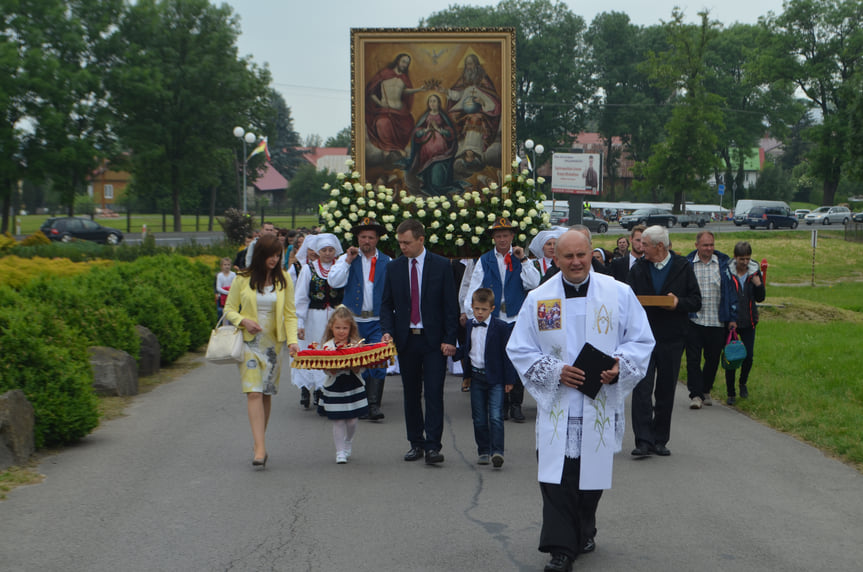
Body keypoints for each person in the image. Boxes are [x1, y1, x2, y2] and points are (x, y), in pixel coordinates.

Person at [507, 230, 654, 572]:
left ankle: (584, 529)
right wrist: (555, 370)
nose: (575, 262)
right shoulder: (539, 299)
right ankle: (561, 549)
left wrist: (619, 365)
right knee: (556, 479)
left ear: (592, 255)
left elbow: (641, 340)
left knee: (590, 481)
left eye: (581, 255)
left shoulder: (618, 293)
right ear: (555, 259)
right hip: (558, 405)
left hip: (598, 402)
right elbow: (519, 348)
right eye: (567, 257)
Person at [380, 219, 459, 465]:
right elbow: (386, 304)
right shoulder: (394, 268)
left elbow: (450, 306)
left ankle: (434, 446)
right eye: (400, 242)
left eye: (407, 242)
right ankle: (416, 442)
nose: (402, 247)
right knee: (411, 393)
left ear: (421, 240)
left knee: (434, 392)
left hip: (433, 341)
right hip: (407, 340)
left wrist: (449, 338)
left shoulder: (441, 265)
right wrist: (388, 331)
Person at [223, 235, 300, 468]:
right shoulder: (242, 279)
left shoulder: (284, 279)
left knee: (265, 393)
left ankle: (260, 440)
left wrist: (293, 341)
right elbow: (228, 309)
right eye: (271, 255)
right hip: (249, 343)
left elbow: (289, 314)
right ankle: (259, 448)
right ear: (260, 255)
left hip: (273, 345)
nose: (275, 260)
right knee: (253, 392)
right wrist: (243, 321)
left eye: (278, 256)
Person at [627, 225, 702, 457]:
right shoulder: (638, 268)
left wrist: (678, 302)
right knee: (641, 389)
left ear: (660, 246)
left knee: (665, 389)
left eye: (645, 244)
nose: (641, 248)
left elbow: (696, 301)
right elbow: (627, 300)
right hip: (643, 338)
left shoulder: (682, 267)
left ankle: (660, 439)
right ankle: (643, 440)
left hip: (672, 337)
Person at [463, 217, 541, 423]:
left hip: (516, 316)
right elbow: (475, 285)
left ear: (512, 236)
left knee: (517, 361)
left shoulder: (520, 258)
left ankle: (516, 404)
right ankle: (502, 404)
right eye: (498, 236)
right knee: (497, 359)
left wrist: (523, 259)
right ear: (494, 238)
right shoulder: (485, 259)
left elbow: (534, 282)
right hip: (495, 317)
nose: (502, 239)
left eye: (506, 235)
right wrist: (471, 313)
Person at [327, 217, 392, 421]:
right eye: (363, 237)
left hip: (377, 319)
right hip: (354, 320)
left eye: (371, 237)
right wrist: (347, 260)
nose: (366, 241)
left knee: (379, 360)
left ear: (377, 240)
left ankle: (373, 404)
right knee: (356, 360)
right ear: (357, 238)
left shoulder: (387, 261)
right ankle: (361, 402)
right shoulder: (346, 259)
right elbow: (334, 282)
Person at [457, 288, 517, 468]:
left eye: (483, 309)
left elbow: (507, 355)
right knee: (479, 417)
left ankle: (497, 451)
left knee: (496, 416)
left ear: (492, 308)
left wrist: (509, 380)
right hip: (476, 377)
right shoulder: (469, 325)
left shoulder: (500, 327)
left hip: (496, 378)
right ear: (472, 308)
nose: (480, 313)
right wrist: (453, 352)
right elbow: (467, 348)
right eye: (476, 309)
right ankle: (483, 450)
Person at [685, 231, 737, 409]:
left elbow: (731, 293)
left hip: (716, 320)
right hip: (694, 320)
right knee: (693, 359)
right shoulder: (688, 264)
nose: (709, 248)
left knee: (712, 359)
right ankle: (696, 395)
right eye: (705, 245)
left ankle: (706, 389)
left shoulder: (723, 265)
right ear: (697, 245)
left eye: (711, 245)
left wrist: (732, 317)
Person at [293, 233, 344, 410]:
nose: (328, 253)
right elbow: (301, 298)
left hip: (335, 317)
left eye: (331, 250)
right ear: (318, 251)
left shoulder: (341, 268)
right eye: (324, 250)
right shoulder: (309, 269)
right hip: (314, 316)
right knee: (314, 350)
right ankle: (309, 388)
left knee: (332, 351)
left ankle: (326, 390)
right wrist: (299, 322)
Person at [319, 306, 370, 464]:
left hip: (352, 384)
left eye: (345, 328)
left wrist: (355, 364)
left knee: (352, 420)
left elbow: (361, 367)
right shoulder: (327, 346)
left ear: (350, 328)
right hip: (335, 386)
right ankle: (340, 451)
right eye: (338, 328)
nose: (341, 331)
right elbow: (325, 369)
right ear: (331, 327)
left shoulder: (356, 344)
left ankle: (348, 440)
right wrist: (332, 368)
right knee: (339, 420)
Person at [365, 53, 428, 160]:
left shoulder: (404, 78)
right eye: (403, 62)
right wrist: (380, 104)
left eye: (407, 63)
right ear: (398, 61)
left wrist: (419, 89)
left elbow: (404, 91)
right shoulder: (384, 74)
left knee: (408, 124)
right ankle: (390, 148)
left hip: (400, 111)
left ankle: (397, 148)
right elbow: (371, 92)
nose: (405, 65)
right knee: (383, 123)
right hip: (385, 109)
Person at [725, 241, 766, 405]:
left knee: (748, 356)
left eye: (747, 259)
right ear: (735, 258)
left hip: (749, 320)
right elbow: (726, 296)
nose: (745, 262)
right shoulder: (728, 272)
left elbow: (761, 297)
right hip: (732, 321)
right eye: (741, 259)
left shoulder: (754, 273)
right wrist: (729, 319)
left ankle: (742, 383)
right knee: (731, 357)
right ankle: (730, 392)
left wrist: (758, 285)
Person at [441, 53, 501, 160]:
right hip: (464, 109)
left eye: (470, 64)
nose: (469, 67)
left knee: (475, 119)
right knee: (451, 116)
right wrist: (446, 91)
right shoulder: (464, 79)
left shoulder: (483, 79)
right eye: (467, 64)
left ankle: (474, 150)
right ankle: (460, 149)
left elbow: (492, 100)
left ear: (476, 64)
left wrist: (482, 102)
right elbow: (458, 95)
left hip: (482, 111)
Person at [408, 94, 460, 195]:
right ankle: (425, 180)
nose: (432, 103)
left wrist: (439, 130)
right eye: (430, 101)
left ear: (439, 103)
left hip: (441, 147)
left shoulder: (442, 116)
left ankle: (437, 183)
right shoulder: (425, 116)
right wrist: (425, 130)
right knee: (427, 166)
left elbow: (450, 132)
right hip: (426, 146)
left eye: (434, 101)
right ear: (428, 104)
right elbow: (416, 132)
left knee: (437, 167)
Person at [215, 257, 236, 321]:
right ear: (221, 266)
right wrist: (227, 292)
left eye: (228, 265)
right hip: (223, 296)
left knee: (233, 311)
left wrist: (231, 292)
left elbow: (234, 285)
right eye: (225, 265)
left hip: (232, 295)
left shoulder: (233, 274)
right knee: (221, 312)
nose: (227, 266)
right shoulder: (220, 275)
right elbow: (218, 288)